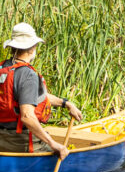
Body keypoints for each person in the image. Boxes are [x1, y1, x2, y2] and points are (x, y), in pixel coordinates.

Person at [0, 22, 83, 156]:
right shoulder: (28, 75)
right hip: (22, 142)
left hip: (2, 140)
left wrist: (65, 103)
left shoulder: (3, 68)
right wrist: (53, 144)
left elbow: (29, 96)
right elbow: (27, 116)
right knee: (57, 146)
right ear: (32, 49)